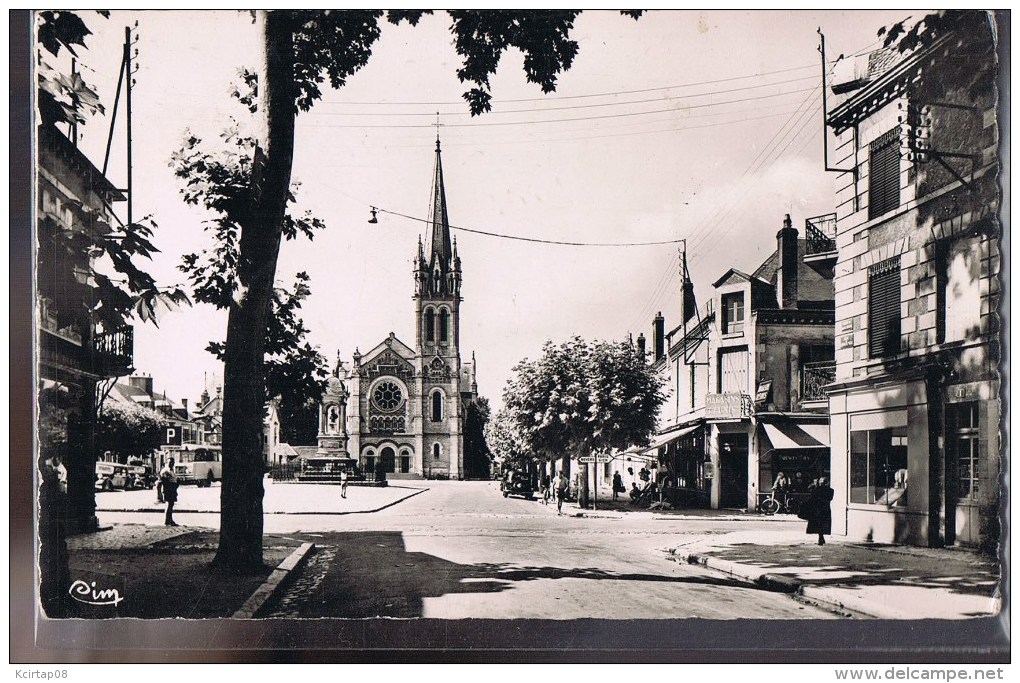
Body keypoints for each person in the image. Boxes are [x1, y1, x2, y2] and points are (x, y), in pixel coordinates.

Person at [804, 476, 834, 545]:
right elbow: (830, 498)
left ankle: (821, 537)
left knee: (818, 524)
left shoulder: (816, 489)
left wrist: (814, 485)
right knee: (823, 523)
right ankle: (821, 537)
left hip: (817, 508)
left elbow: (811, 494)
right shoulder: (831, 490)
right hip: (825, 508)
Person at [159, 458, 180, 526]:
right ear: (167, 462)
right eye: (170, 462)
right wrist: (172, 485)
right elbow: (165, 481)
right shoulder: (165, 471)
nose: (171, 464)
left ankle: (170, 519)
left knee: (171, 504)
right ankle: (167, 520)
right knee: (169, 504)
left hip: (172, 489)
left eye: (172, 463)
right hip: (168, 489)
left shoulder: (171, 470)